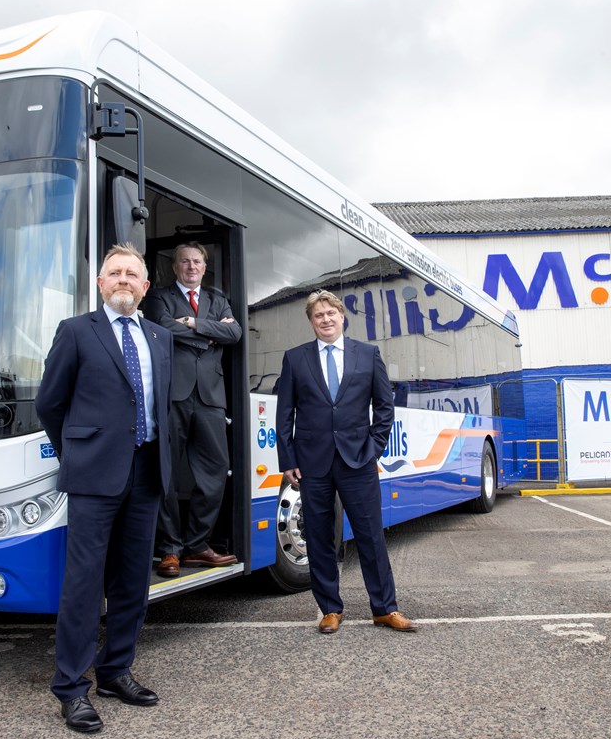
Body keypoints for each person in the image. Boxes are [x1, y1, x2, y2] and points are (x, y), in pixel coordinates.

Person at [35, 243, 173, 734]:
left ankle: (116, 671)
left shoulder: (160, 337)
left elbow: (161, 407)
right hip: (94, 474)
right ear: (100, 284)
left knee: (133, 581)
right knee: (83, 584)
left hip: (147, 472)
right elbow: (50, 404)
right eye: (114, 273)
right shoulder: (76, 332)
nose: (122, 280)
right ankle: (71, 688)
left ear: (144, 286)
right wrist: (76, 451)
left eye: (131, 274)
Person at [275, 289, 418, 635]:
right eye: (318, 315)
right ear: (311, 322)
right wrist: (288, 458)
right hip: (313, 464)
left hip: (358, 461)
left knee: (370, 535)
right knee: (320, 537)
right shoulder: (295, 359)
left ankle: (385, 608)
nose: (325, 319)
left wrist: (375, 447)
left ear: (342, 316)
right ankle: (329, 609)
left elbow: (384, 406)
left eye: (330, 313)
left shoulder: (368, 355)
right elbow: (284, 414)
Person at [145, 242, 243, 577]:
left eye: (196, 262)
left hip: (211, 397)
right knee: (166, 472)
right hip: (173, 393)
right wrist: (208, 333)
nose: (190, 267)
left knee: (217, 469)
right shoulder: (159, 297)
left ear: (204, 266)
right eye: (184, 262)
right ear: (175, 267)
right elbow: (159, 327)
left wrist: (192, 323)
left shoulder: (217, 298)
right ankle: (170, 549)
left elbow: (234, 332)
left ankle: (198, 545)